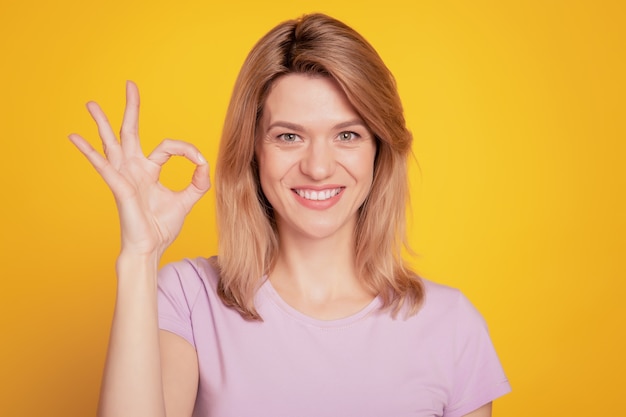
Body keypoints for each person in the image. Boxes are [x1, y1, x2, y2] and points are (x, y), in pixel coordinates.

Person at [69, 13, 510, 417]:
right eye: (289, 136)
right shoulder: (186, 298)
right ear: (253, 151)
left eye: (348, 134)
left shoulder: (453, 327)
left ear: (379, 152)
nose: (318, 167)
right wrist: (139, 256)